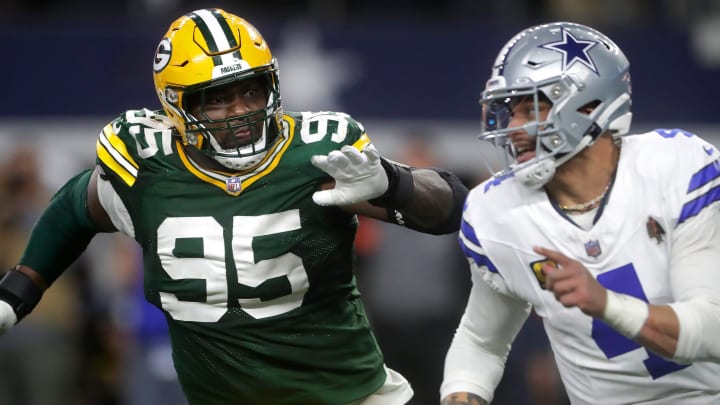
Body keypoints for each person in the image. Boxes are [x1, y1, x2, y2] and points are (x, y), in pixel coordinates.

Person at [0, 8, 468, 405]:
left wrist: (394, 183)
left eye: (251, 90)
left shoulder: (314, 156)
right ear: (175, 105)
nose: (241, 111)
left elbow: (450, 209)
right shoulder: (148, 168)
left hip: (349, 397)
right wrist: (19, 290)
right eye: (216, 99)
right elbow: (74, 209)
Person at [441, 21, 720, 405]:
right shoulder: (496, 211)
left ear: (590, 105)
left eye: (533, 107)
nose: (515, 128)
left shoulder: (676, 167)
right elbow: (481, 341)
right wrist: (461, 395)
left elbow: (712, 332)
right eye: (511, 110)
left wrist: (605, 303)